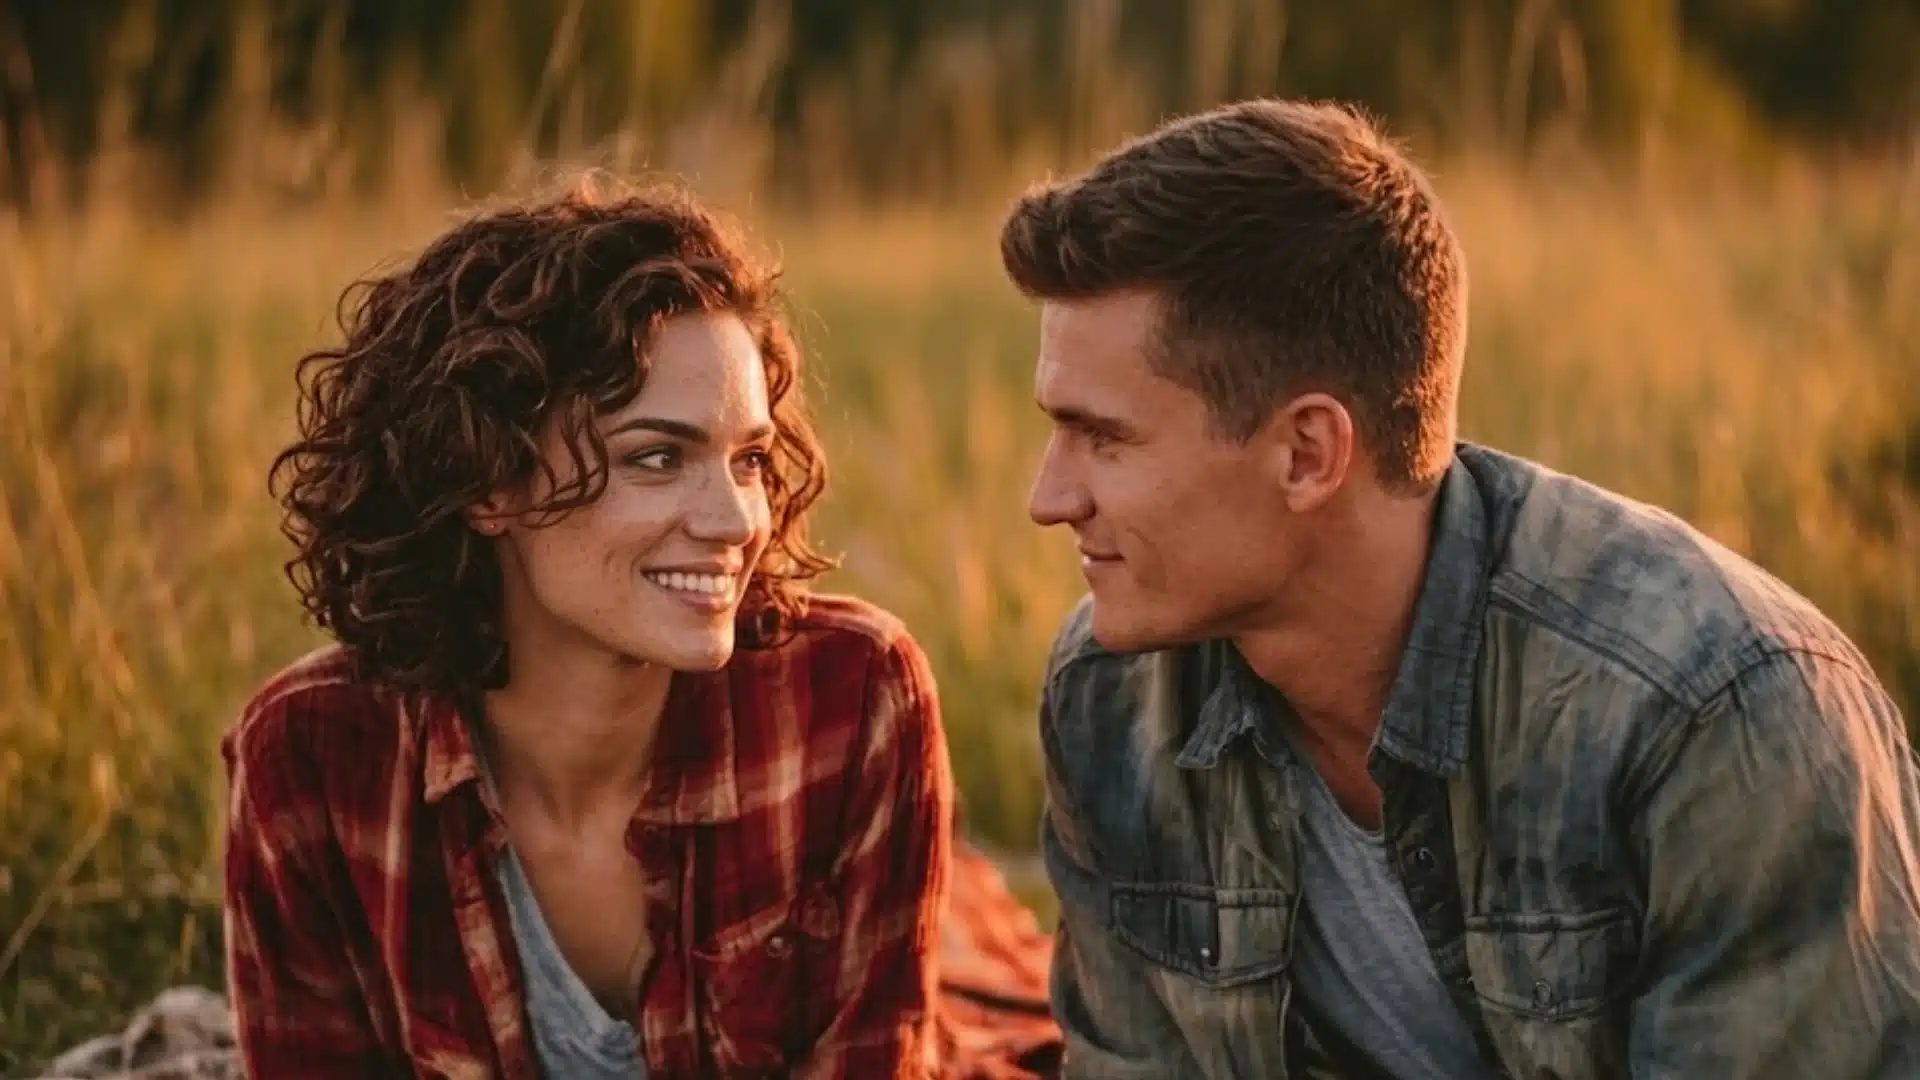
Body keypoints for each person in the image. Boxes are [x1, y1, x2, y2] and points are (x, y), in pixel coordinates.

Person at [1000, 97, 1920, 1079]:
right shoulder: (1113, 695)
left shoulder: (1716, 717)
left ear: (1308, 454)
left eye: (1105, 438)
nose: (1047, 497)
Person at [221, 176, 1059, 1079]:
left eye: (745, 458)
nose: (737, 519)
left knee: (994, 977)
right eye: (657, 458)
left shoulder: (850, 696)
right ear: (487, 484)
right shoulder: (312, 761)